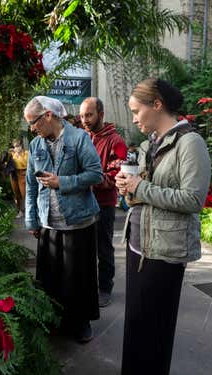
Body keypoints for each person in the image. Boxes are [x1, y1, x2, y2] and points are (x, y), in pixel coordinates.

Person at [104, 78, 211, 375]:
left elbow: (193, 199)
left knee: (148, 325)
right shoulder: (153, 143)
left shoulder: (190, 143)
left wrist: (141, 188)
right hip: (139, 243)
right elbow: (144, 193)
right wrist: (129, 189)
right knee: (144, 322)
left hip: (166, 250)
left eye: (137, 111)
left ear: (158, 104)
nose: (134, 118)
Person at [23, 96, 104, 343]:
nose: (32, 128)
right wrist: (32, 219)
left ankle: (81, 323)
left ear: (48, 115)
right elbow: (30, 186)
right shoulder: (36, 145)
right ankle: (55, 321)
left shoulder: (78, 139)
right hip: (48, 223)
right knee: (52, 280)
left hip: (78, 223)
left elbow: (96, 174)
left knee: (78, 278)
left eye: (33, 122)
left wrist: (63, 183)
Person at [80, 97, 128, 307]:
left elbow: (117, 176)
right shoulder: (83, 137)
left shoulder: (115, 141)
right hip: (82, 203)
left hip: (103, 204)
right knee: (84, 248)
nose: (84, 120)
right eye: (82, 116)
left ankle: (105, 289)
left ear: (101, 114)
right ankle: (88, 286)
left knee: (104, 248)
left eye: (89, 115)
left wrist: (84, 181)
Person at [8, 137, 28, 217]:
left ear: (21, 145)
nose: (17, 148)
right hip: (14, 174)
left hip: (23, 173)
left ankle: (29, 210)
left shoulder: (26, 153)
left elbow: (29, 163)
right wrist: (10, 152)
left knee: (24, 193)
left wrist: (19, 155)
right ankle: (20, 210)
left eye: (18, 145)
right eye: (15, 146)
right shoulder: (12, 154)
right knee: (16, 193)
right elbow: (4, 159)